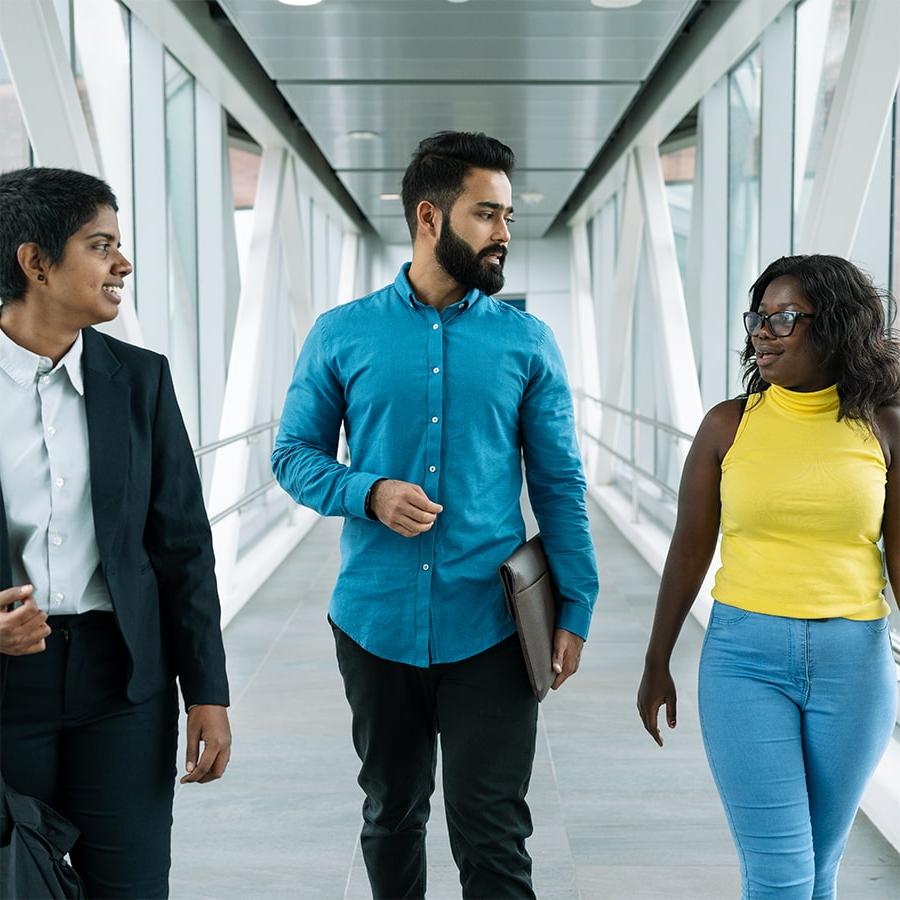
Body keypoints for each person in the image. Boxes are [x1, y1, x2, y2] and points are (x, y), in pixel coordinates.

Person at [272, 131, 598, 899]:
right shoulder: (341, 333)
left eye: (509, 216)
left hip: (490, 625)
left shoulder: (528, 343)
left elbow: (559, 483)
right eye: (487, 215)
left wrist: (575, 606)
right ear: (430, 216)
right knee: (390, 815)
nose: (504, 234)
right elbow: (293, 455)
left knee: (493, 831)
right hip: (374, 623)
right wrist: (368, 492)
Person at [0, 167, 232, 898]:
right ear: (35, 262)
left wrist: (208, 691)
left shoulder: (142, 379)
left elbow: (183, 547)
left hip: (122, 683)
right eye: (100, 247)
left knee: (131, 885)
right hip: (5, 687)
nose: (121, 265)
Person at [637, 255, 899, 899]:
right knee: (780, 875)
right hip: (743, 661)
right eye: (758, 317)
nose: (763, 331)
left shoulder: (885, 427)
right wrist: (656, 659)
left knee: (818, 873)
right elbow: (689, 547)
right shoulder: (729, 425)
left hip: (856, 664)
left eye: (784, 318)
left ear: (836, 326)